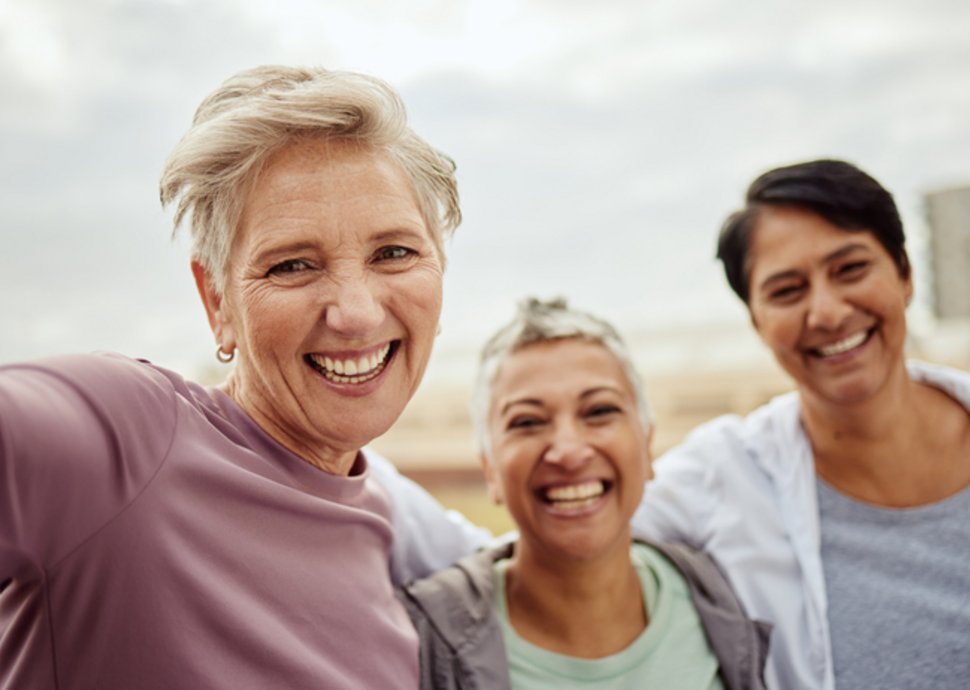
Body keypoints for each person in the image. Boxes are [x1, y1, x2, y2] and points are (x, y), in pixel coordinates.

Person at [0, 64, 487, 689]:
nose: (357, 312)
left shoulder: (389, 532)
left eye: (394, 252)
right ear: (218, 303)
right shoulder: (128, 441)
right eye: (292, 266)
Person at [635, 159, 970, 689]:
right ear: (756, 321)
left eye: (850, 269)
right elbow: (536, 552)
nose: (828, 312)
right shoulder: (723, 472)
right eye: (787, 290)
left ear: (904, 275)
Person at [398, 298, 770, 690]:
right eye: (527, 421)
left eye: (598, 411)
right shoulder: (421, 644)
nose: (569, 451)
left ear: (646, 445)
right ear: (490, 468)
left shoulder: (722, 599)